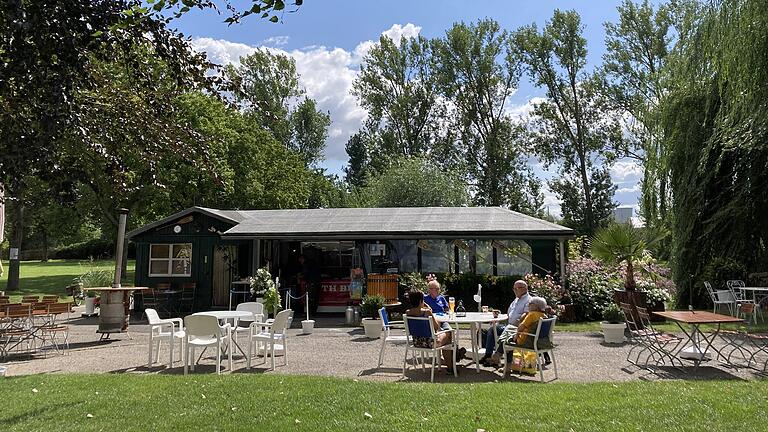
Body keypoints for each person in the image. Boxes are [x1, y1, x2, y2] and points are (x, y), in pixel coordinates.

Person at [480, 280, 530, 366]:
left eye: (517, 289)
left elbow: (526, 316)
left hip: (518, 328)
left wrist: (515, 324)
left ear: (525, 288)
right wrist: (498, 318)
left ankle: (496, 357)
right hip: (509, 325)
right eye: (514, 289)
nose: (514, 291)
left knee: (506, 332)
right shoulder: (516, 300)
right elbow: (509, 314)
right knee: (492, 329)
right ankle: (488, 354)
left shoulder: (529, 300)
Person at [488, 296, 548, 366]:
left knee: (507, 339)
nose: (528, 305)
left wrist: (516, 335)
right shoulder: (544, 316)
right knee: (509, 333)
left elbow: (521, 327)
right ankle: (498, 355)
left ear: (536, 306)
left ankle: (502, 361)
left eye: (530, 304)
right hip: (537, 341)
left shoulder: (532, 315)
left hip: (525, 341)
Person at [405, 289, 456, 371]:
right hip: (431, 343)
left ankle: (453, 361)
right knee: (449, 333)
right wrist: (426, 305)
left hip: (416, 342)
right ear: (421, 300)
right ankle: (451, 367)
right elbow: (437, 328)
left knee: (445, 335)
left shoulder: (408, 312)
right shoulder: (427, 312)